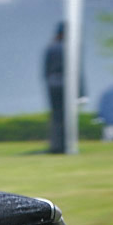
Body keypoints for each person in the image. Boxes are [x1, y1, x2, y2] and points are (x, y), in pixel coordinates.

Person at [43, 22, 66, 153]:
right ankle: (63, 144)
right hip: (66, 84)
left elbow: (45, 70)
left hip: (52, 84)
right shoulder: (69, 48)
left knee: (55, 116)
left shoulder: (50, 47)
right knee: (65, 116)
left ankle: (55, 144)